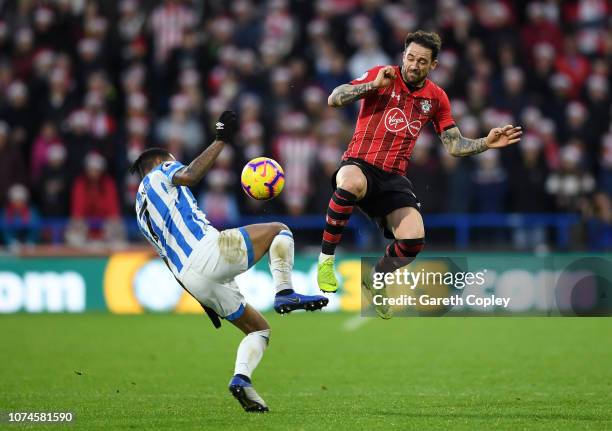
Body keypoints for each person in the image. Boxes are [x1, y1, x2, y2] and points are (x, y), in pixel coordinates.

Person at [128, 111, 328, 413]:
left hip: (191, 278)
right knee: (280, 230)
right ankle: (285, 291)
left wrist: (204, 300)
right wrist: (221, 140)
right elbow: (191, 175)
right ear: (160, 161)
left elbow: (169, 259)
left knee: (259, 329)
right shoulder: (160, 172)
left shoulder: (140, 211)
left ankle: (242, 379)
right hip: (207, 251)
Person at [317, 30, 522, 318]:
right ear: (403, 55)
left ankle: (376, 278)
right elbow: (334, 99)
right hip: (359, 162)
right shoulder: (382, 75)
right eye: (410, 57)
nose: (413, 65)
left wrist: (486, 143)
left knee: (414, 239)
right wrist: (371, 86)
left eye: (422, 61)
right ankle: (326, 259)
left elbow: (454, 145)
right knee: (349, 182)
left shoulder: (436, 98)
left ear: (433, 65)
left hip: (393, 177)